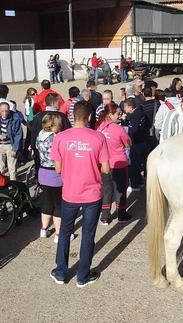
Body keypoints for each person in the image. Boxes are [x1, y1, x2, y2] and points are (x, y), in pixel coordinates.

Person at [49, 100, 110, 288]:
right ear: (89, 116)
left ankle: (61, 272)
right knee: (88, 235)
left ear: (72, 116)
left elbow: (57, 168)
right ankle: (82, 276)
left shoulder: (60, 137)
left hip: (70, 193)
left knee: (65, 232)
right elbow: (106, 169)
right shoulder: (98, 137)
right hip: (92, 194)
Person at [35, 113, 70, 243]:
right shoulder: (56, 137)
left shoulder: (40, 135)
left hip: (43, 172)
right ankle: (58, 233)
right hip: (55, 174)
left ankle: (43, 229)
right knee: (58, 204)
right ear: (53, 125)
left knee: (47, 202)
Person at [96, 102, 131, 225]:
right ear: (110, 114)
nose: (119, 116)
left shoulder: (99, 127)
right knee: (120, 189)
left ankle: (105, 216)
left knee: (106, 189)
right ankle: (121, 214)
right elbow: (128, 143)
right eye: (117, 114)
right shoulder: (118, 129)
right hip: (119, 162)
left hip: (104, 163)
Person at [30, 93, 71, 171]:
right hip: (59, 157)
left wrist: (33, 148)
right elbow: (68, 134)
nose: (60, 103)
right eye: (58, 101)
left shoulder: (38, 116)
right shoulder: (61, 116)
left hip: (42, 156)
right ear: (53, 103)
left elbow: (34, 135)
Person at [0, 102, 22, 180]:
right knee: (0, 168)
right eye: (2, 111)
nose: (5, 113)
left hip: (11, 145)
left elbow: (18, 134)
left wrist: (15, 149)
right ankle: (1, 186)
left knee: (12, 168)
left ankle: (13, 185)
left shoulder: (15, 117)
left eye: (7, 111)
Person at [122, 98, 148, 192]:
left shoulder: (135, 115)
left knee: (134, 165)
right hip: (142, 142)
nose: (124, 109)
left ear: (130, 107)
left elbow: (132, 130)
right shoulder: (140, 113)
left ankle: (134, 184)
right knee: (138, 164)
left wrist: (124, 123)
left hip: (136, 143)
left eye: (125, 107)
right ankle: (140, 182)